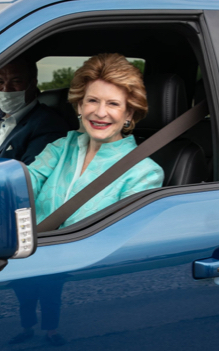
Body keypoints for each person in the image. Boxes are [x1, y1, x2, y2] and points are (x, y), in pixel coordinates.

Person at [28, 53, 164, 228]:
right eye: (92, 100)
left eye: (113, 104)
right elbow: (21, 189)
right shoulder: (61, 147)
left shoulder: (144, 173)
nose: (100, 113)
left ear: (128, 113)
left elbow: (121, 239)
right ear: (80, 106)